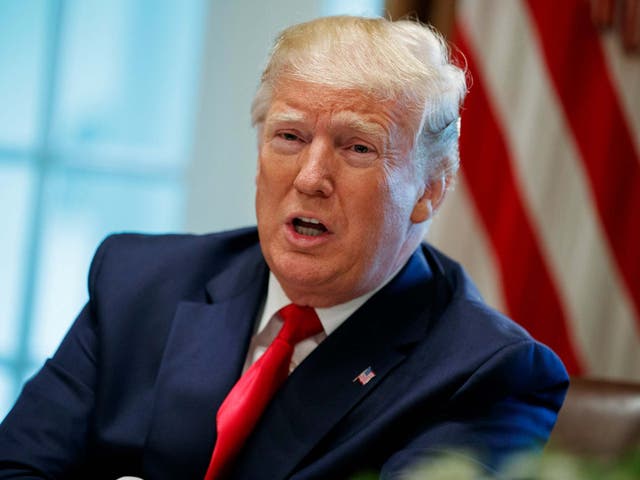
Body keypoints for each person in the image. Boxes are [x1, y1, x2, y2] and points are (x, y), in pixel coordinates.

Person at [0, 15, 568, 480]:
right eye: (290, 137)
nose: (310, 177)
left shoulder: (489, 375)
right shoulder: (137, 280)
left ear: (430, 190)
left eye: (357, 148)